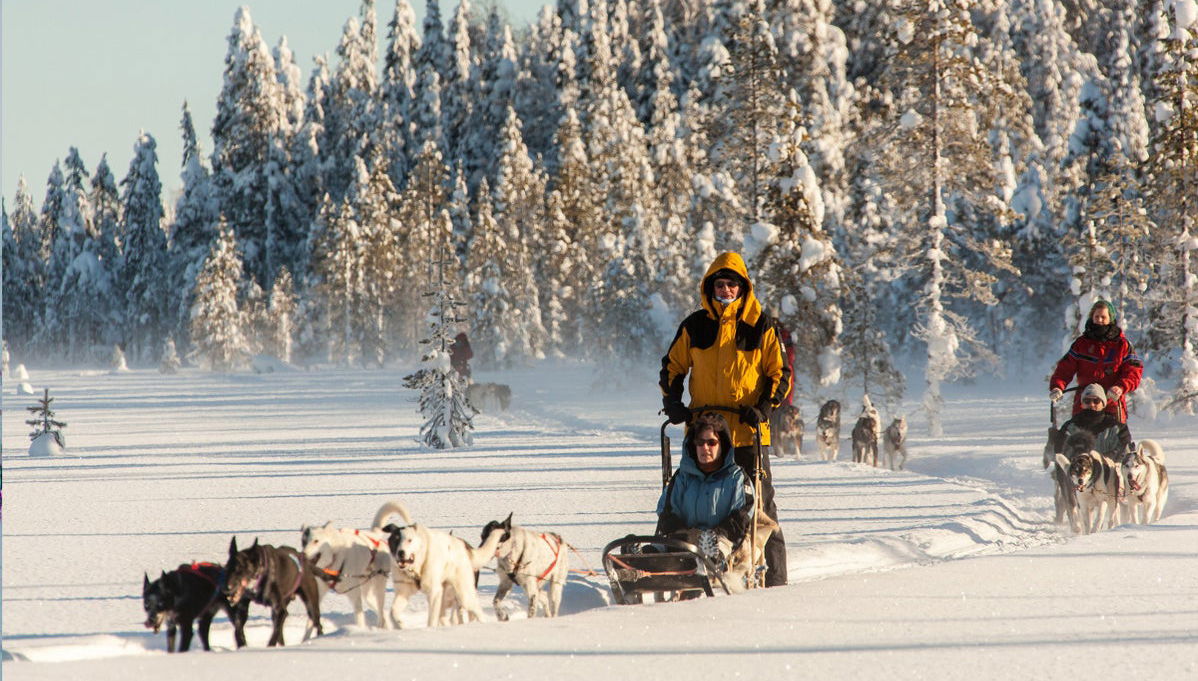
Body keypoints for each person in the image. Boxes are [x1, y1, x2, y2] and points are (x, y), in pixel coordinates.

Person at [659, 252, 791, 586]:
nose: (726, 290)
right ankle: (679, 562)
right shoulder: (695, 326)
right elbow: (673, 366)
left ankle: (776, 581)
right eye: (720, 284)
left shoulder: (761, 325)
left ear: (743, 287)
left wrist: (763, 408)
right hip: (704, 433)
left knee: (760, 508)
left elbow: (780, 374)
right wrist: (673, 402)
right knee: (687, 501)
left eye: (732, 284)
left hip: (747, 433)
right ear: (710, 287)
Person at [655, 413, 752, 568]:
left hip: (723, 541)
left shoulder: (736, 478)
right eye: (700, 442)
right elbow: (667, 511)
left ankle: (708, 561)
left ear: (722, 445)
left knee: (716, 550)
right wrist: (685, 534)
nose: (705, 448)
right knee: (659, 549)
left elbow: (741, 517)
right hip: (682, 539)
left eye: (711, 442)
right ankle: (637, 559)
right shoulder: (682, 477)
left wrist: (716, 535)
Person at [1049, 300, 1142, 422]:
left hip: (1112, 402)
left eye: (1103, 317)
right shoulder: (1081, 344)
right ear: (1092, 317)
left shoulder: (1122, 345)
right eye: (1096, 316)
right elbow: (1065, 368)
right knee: (1077, 433)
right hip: (1085, 402)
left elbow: (1133, 372)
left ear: (1110, 319)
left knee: (1115, 433)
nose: (1099, 320)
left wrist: (1120, 387)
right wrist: (1057, 387)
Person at [1053, 383, 1132, 457]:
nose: (1092, 404)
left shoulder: (1117, 428)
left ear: (1103, 404)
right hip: (1078, 465)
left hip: (1109, 465)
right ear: (1082, 404)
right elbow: (1060, 452)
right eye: (1087, 401)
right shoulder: (1070, 426)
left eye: (1096, 401)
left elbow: (1124, 452)